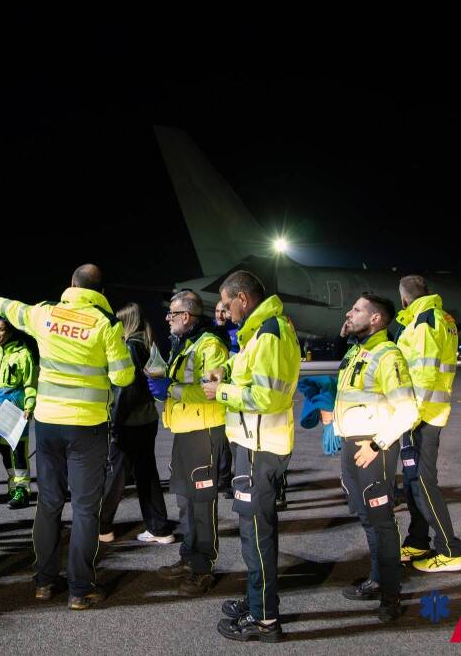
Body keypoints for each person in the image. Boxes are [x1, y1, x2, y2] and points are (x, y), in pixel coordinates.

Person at [0, 263, 134, 610]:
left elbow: (12, 308)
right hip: (86, 427)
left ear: (71, 285)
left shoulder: (46, 314)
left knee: (48, 504)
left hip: (47, 424)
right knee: (84, 508)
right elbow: (123, 377)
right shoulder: (106, 325)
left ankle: (45, 582)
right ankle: (80, 589)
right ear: (101, 292)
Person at [202, 270, 300, 643]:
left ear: (242, 298)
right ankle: (257, 600)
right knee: (253, 532)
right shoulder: (260, 332)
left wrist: (221, 392)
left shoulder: (270, 333)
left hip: (261, 448)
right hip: (254, 444)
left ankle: (265, 621)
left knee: (256, 535)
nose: (225, 311)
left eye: (227, 304)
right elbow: (249, 372)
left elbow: (268, 397)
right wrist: (224, 368)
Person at [333, 293, 419, 622]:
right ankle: (378, 578)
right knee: (367, 518)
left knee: (382, 522)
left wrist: (377, 444)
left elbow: (408, 410)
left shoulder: (388, 355)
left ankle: (391, 595)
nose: (349, 313)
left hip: (373, 449)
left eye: (356, 310)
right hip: (352, 447)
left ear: (376, 319)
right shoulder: (359, 351)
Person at [152, 291, 229, 596]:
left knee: (201, 503)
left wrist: (171, 388)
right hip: (186, 431)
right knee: (185, 500)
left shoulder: (210, 345)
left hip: (204, 432)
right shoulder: (186, 345)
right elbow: (179, 387)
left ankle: (203, 567)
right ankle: (189, 556)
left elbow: (210, 390)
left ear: (185, 316)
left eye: (171, 314)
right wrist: (163, 388)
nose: (167, 319)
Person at [393, 275, 461, 573]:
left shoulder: (424, 322)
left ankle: (450, 551)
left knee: (422, 482)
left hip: (422, 416)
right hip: (427, 413)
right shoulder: (440, 318)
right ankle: (418, 540)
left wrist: (409, 418)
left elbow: (422, 375)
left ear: (404, 298)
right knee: (413, 482)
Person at [98, 303, 174, 545]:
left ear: (127, 323)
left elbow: (125, 391)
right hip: (147, 419)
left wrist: (115, 425)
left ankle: (103, 525)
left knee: (115, 475)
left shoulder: (131, 347)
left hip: (130, 422)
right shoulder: (148, 343)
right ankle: (160, 528)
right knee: (146, 474)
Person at [0, 316, 37, 509]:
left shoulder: (22, 354)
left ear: (10, 332)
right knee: (5, 454)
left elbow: (30, 384)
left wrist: (29, 406)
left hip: (15, 412)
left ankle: (23, 490)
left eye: (2, 329)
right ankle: (13, 486)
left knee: (19, 452)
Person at [213, 300, 237, 497]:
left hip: (233, 388)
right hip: (217, 388)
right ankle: (221, 477)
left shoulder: (237, 331)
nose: (220, 315)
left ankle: (227, 478)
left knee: (230, 439)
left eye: (224, 311)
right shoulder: (211, 333)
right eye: (217, 311)